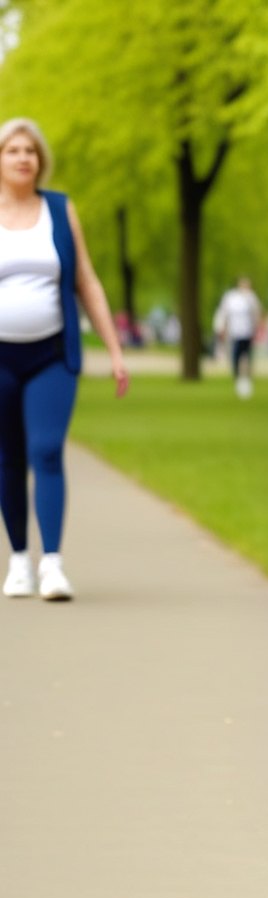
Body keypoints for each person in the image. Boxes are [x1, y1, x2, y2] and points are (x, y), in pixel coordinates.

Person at [0, 118, 127, 601]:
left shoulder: (59, 209)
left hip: (51, 355)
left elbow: (87, 283)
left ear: (39, 161)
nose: (23, 157)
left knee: (47, 451)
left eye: (30, 150)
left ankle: (51, 563)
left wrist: (115, 351)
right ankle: (18, 561)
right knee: (8, 458)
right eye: (13, 150)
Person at [213, 276, 262, 398]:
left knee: (246, 356)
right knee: (236, 356)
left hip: (247, 332)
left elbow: (257, 313)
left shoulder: (251, 298)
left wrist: (256, 328)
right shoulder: (231, 298)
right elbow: (225, 313)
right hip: (235, 333)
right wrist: (223, 328)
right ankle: (237, 377)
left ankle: (246, 378)